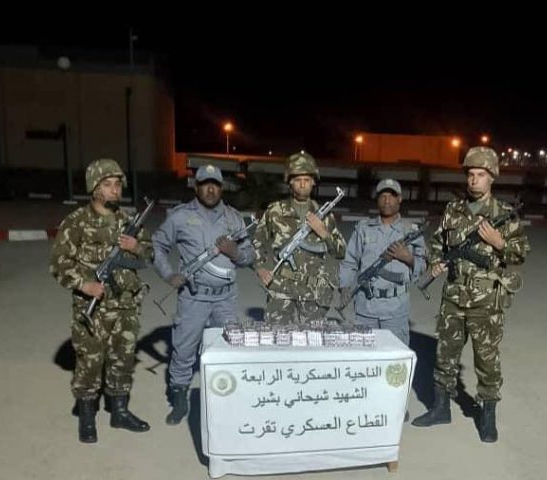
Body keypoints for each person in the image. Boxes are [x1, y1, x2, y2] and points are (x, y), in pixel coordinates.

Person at [411, 147, 530, 443]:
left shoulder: (502, 214)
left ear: (492, 178)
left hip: (486, 302)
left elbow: (520, 253)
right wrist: (435, 261)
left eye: (481, 175)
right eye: (471, 175)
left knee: (487, 361)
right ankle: (440, 408)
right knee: (445, 355)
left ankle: (487, 415)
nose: (474, 180)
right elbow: (437, 242)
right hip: (453, 297)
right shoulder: (454, 210)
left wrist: (500, 243)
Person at [50, 158, 151, 443]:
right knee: (90, 362)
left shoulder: (127, 221)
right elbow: (59, 264)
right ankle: (87, 417)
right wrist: (85, 285)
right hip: (92, 308)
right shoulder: (76, 222)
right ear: (94, 188)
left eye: (117, 184)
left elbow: (149, 255)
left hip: (126, 305)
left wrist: (137, 247)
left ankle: (119, 412)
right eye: (107, 184)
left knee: (123, 359)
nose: (115, 189)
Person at [152, 164, 254, 425]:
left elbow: (249, 256)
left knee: (229, 349)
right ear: (196, 186)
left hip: (225, 299)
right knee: (184, 350)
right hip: (193, 297)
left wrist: (235, 252)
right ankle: (179, 399)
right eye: (205, 184)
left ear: (222, 187)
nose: (211, 189)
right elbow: (157, 246)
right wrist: (169, 274)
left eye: (215, 184)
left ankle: (227, 399)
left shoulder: (234, 218)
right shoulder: (180, 217)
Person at [253, 151, 346, 324]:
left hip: (313, 295)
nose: (302, 184)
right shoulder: (275, 211)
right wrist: (260, 268)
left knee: (312, 339)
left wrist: (323, 232)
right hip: (281, 292)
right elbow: (257, 242)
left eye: (307, 180)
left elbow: (341, 252)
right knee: (277, 338)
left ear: (313, 182)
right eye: (297, 180)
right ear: (289, 182)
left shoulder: (325, 216)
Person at [338, 178, 426, 346]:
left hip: (396, 310)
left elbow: (423, 268)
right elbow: (349, 262)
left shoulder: (411, 231)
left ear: (400, 199)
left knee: (395, 357)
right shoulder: (363, 228)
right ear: (377, 199)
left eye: (391, 196)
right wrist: (345, 287)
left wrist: (407, 257)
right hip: (366, 307)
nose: (387, 200)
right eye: (383, 196)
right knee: (365, 356)